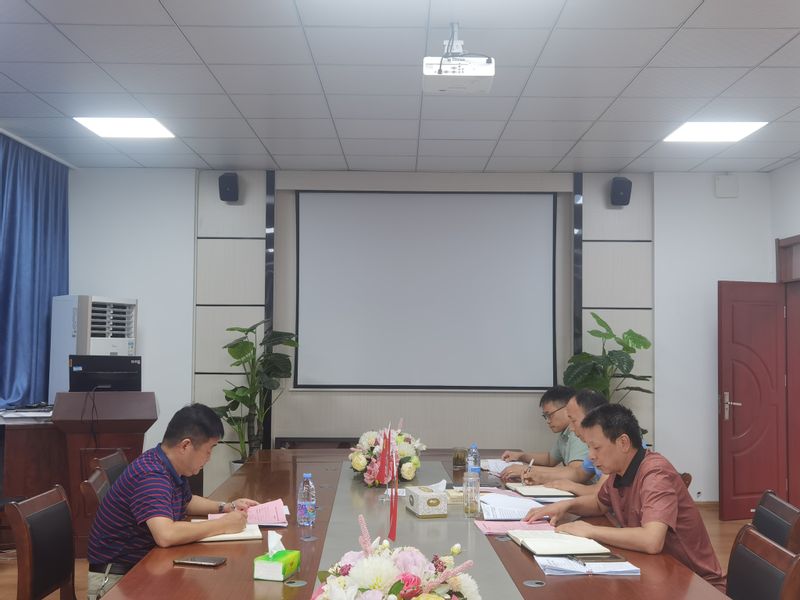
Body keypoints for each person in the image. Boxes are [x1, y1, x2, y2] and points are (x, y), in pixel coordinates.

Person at [523, 404, 725, 592]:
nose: (590, 456)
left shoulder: (655, 474)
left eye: (596, 448)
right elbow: (599, 504)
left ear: (623, 443)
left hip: (696, 585)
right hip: (657, 572)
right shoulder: (618, 471)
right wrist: (565, 506)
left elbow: (651, 540)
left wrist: (590, 530)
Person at [87, 404, 259, 599]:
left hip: (145, 565)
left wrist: (226, 507)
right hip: (118, 579)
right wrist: (223, 525)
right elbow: (166, 534)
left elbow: (186, 502)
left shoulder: (166, 464)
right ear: (185, 446)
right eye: (209, 450)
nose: (209, 458)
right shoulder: (151, 475)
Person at [499, 385, 591, 485]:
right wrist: (521, 456)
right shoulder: (565, 433)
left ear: (567, 408)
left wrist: (527, 469)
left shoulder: (577, 433)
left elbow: (575, 472)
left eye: (550, 415)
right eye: (545, 416)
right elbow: (550, 459)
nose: (548, 421)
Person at [547, 388, 609, 496]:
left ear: (592, 418)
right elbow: (578, 473)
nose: (571, 428)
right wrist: (539, 477)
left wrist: (572, 486)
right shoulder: (595, 445)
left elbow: (601, 492)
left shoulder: (613, 443)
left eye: (573, 421)